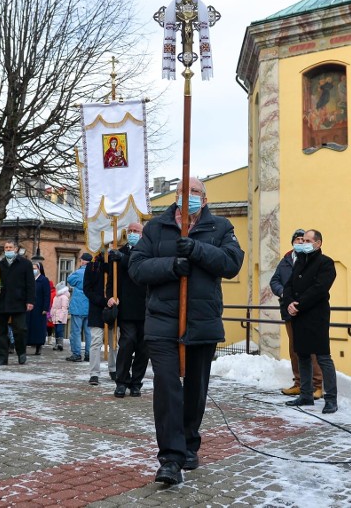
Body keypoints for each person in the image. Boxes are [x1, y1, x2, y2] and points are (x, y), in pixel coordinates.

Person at [129, 177, 244, 485]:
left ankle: (190, 442)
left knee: (195, 389)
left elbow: (232, 263)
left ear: (204, 200)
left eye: (195, 192)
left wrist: (195, 249)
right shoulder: (155, 228)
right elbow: (137, 268)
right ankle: (170, 457)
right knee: (167, 388)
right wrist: (171, 265)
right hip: (162, 321)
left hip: (202, 319)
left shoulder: (220, 228)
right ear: (175, 196)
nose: (189, 195)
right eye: (184, 191)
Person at [281, 229, 338, 415]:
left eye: (307, 240)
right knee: (302, 354)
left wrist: (300, 304)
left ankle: (331, 398)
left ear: (318, 243)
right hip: (299, 315)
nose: (303, 243)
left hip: (316, 316)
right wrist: (289, 302)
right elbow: (288, 285)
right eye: (302, 240)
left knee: (323, 357)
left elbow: (320, 288)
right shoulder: (300, 262)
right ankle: (306, 394)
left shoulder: (325, 263)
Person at [97, 222, 149, 398]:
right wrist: (110, 296)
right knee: (127, 344)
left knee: (143, 348)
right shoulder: (120, 252)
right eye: (131, 231)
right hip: (126, 307)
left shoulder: (148, 251)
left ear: (143, 233)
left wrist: (123, 259)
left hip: (146, 307)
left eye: (137, 231)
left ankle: (136, 383)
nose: (133, 233)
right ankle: (121, 381)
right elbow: (112, 280)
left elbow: (140, 268)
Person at [270, 228, 323, 399]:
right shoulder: (286, 260)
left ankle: (316, 385)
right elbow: (275, 280)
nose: (301, 242)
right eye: (298, 239)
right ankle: (299, 383)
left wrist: (300, 300)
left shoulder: (311, 260)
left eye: (304, 239)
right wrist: (285, 294)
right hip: (289, 310)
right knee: (294, 348)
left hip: (306, 310)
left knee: (311, 348)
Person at [0, 241, 35, 366]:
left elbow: (30, 284)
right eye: (6, 248)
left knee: (20, 329)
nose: (8, 249)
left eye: (10, 247)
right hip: (1, 302)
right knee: (1, 331)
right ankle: (3, 357)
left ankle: (21, 353)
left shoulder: (25, 264)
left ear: (16, 249)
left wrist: (30, 301)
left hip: (18, 301)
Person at [83, 250, 118, 386]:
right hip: (97, 310)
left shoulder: (115, 265)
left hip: (113, 308)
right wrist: (102, 300)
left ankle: (113, 369)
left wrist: (114, 299)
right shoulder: (92, 266)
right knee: (96, 342)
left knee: (114, 341)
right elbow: (87, 289)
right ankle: (94, 373)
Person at [65, 253, 92, 362]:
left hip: (78, 305)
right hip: (90, 305)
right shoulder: (94, 272)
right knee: (88, 332)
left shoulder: (78, 272)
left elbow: (70, 279)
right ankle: (88, 354)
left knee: (76, 331)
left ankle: (76, 354)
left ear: (83, 261)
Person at [26, 262, 51, 355]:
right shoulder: (29, 279)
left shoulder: (44, 280)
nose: (33, 270)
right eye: (32, 268)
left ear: (39, 269)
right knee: (27, 327)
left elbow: (47, 295)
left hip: (39, 308)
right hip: (29, 307)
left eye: (35, 268)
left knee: (38, 328)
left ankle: (38, 346)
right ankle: (25, 344)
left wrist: (45, 308)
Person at [50, 283, 70, 351]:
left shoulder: (64, 297)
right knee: (56, 330)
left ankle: (60, 344)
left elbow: (64, 308)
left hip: (60, 317)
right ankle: (57, 344)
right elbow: (53, 307)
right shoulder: (56, 297)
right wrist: (51, 315)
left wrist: (60, 318)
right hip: (56, 316)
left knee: (60, 330)